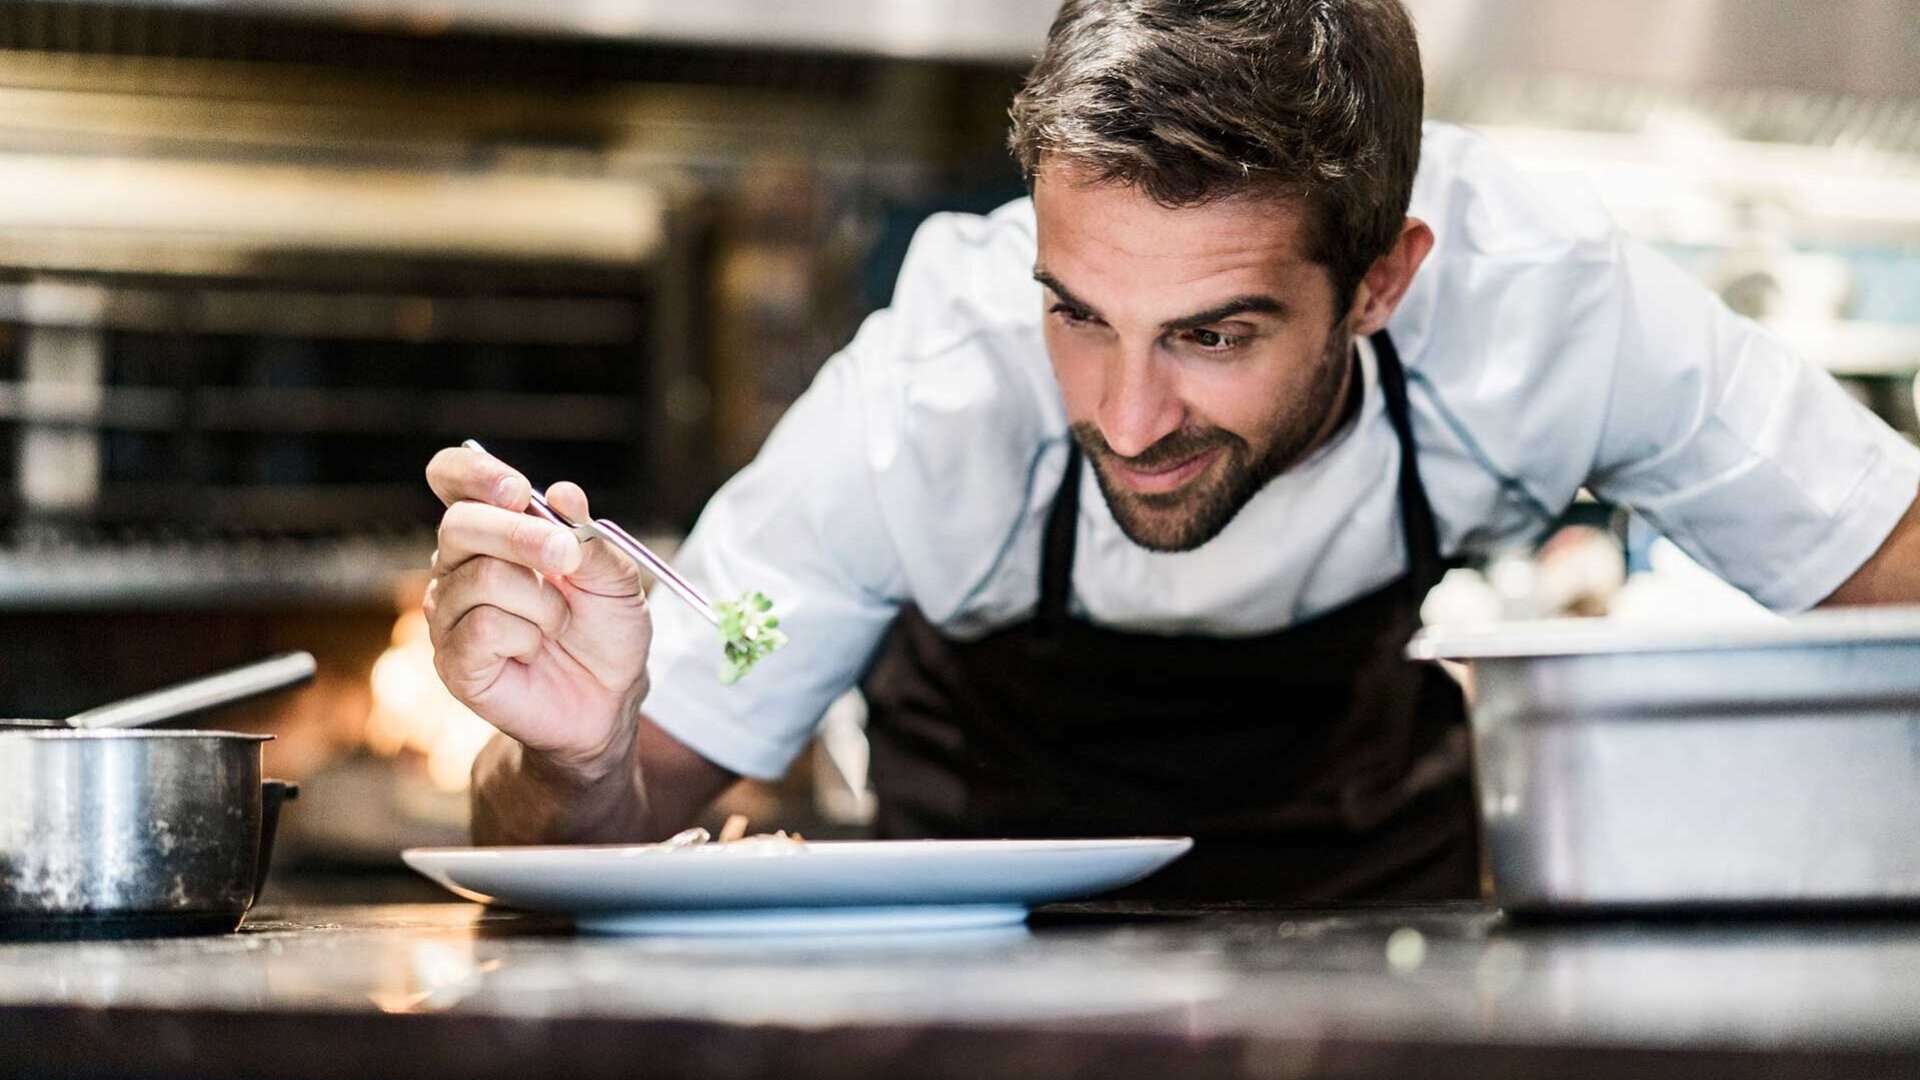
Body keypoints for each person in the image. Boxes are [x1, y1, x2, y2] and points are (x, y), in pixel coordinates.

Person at [421, 0, 1920, 900]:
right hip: (980, 1002)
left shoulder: (1551, 305)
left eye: (1213, 334)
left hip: (1389, 954)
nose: (1126, 421)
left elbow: (1890, 572)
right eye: (1078, 314)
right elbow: (588, 835)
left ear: (1384, 281)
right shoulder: (926, 394)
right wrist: (574, 748)